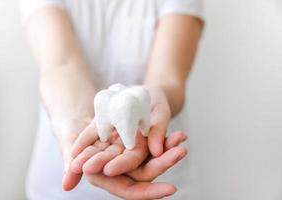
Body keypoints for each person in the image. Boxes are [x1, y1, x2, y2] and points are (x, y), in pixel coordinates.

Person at [20, 0, 204, 199]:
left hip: (160, 170)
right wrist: (76, 118)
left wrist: (156, 98)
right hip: (61, 185)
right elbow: (61, 65)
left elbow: (168, 77)